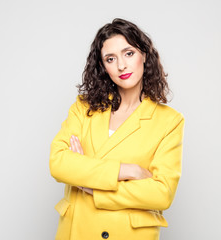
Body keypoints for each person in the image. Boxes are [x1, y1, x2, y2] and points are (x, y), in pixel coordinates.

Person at [49, 18, 185, 240]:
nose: (121, 65)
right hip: (77, 231)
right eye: (110, 59)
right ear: (103, 67)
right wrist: (127, 171)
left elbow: (162, 194)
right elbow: (58, 163)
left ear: (144, 55)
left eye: (128, 53)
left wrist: (92, 186)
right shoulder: (83, 107)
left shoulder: (169, 121)